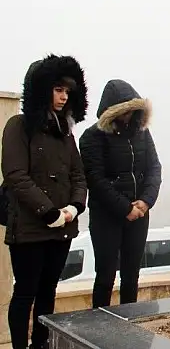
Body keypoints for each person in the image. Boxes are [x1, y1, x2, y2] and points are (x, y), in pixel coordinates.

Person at [2, 55, 88, 349]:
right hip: (29, 228)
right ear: (41, 90)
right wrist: (48, 211)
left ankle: (41, 344)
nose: (64, 97)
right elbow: (16, 174)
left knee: (48, 291)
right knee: (25, 292)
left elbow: (78, 175)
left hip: (62, 227)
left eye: (67, 91)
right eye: (57, 90)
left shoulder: (66, 132)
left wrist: (74, 208)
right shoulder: (18, 126)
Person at [78, 79, 162, 308]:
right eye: (124, 111)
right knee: (105, 275)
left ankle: (129, 320)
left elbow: (154, 168)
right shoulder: (92, 137)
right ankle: (100, 322)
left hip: (139, 214)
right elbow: (95, 179)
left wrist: (145, 201)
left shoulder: (142, 133)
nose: (128, 115)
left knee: (131, 274)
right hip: (107, 216)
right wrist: (125, 208)